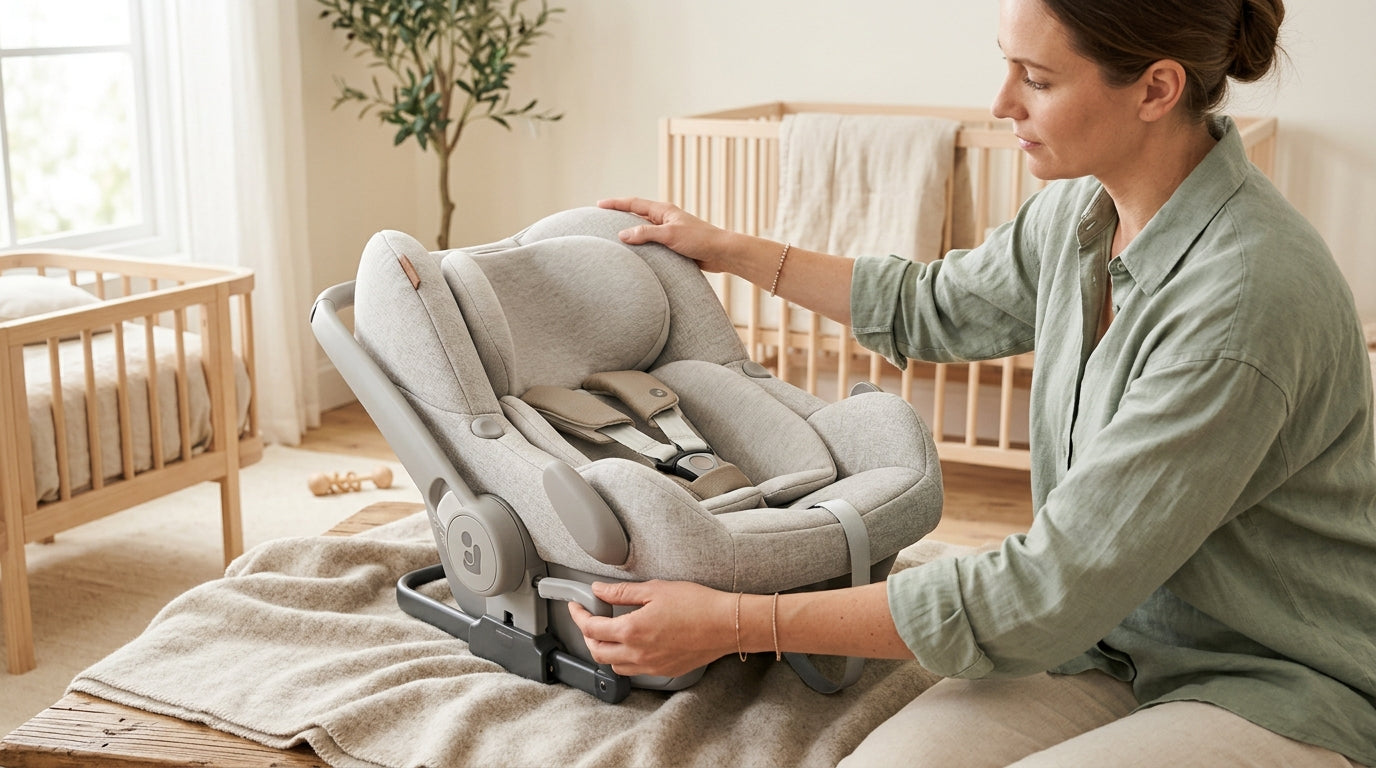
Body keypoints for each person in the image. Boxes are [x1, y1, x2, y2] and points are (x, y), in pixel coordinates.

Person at [568, 0, 1376, 765]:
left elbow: (1044, 588)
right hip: (1103, 647)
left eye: (1038, 79)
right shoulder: (1080, 217)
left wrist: (740, 622)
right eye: (1008, 66)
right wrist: (729, 249)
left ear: (1156, 89)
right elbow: (929, 305)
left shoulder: (1241, 306)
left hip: (1268, 684)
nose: (1000, 104)